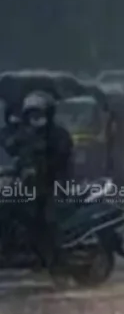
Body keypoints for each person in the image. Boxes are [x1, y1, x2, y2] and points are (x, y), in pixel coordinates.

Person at [12, 92, 74, 277]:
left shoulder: (58, 135)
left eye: (38, 114)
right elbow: (18, 153)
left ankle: (58, 259)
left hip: (56, 183)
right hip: (32, 185)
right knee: (20, 213)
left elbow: (61, 157)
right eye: (31, 115)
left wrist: (42, 166)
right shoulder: (27, 135)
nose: (35, 119)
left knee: (48, 219)